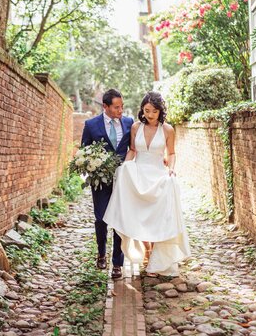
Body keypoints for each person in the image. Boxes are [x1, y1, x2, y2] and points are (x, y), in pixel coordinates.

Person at [103, 91, 191, 277]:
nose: (149, 115)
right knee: (139, 215)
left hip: (158, 175)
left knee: (158, 216)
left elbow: (172, 153)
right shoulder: (136, 127)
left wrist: (171, 169)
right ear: (142, 110)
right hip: (139, 173)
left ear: (160, 112)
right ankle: (146, 252)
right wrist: (124, 166)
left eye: (154, 111)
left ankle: (157, 259)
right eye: (146, 110)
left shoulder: (168, 130)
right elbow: (133, 150)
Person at [81, 89, 134, 279]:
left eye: (122, 107)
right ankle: (101, 253)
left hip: (122, 180)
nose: (121, 110)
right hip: (100, 181)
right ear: (105, 106)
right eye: (116, 107)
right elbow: (84, 151)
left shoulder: (129, 123)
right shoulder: (91, 125)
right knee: (101, 219)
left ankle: (117, 264)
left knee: (120, 220)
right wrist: (93, 168)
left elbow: (133, 149)